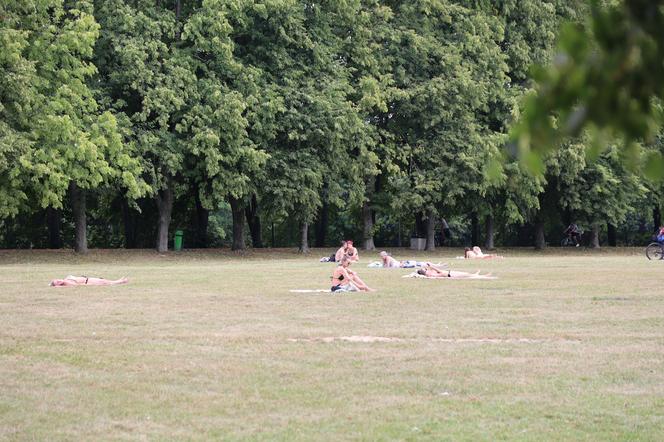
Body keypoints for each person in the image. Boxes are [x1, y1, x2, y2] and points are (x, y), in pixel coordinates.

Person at [416, 263, 495, 280]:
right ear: (423, 271)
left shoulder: (429, 273)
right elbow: (439, 272)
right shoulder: (429, 274)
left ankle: (476, 274)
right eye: (424, 269)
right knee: (466, 276)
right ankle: (484, 276)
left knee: (466, 274)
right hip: (449, 275)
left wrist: (430, 268)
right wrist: (432, 267)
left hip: (449, 273)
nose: (425, 269)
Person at [50, 275, 129, 287]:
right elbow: (75, 286)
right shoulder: (67, 283)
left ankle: (120, 281)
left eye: (57, 280)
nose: (58, 281)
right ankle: (121, 281)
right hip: (88, 282)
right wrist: (56, 287)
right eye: (57, 283)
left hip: (88, 278)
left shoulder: (66, 278)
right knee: (105, 282)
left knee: (105, 281)